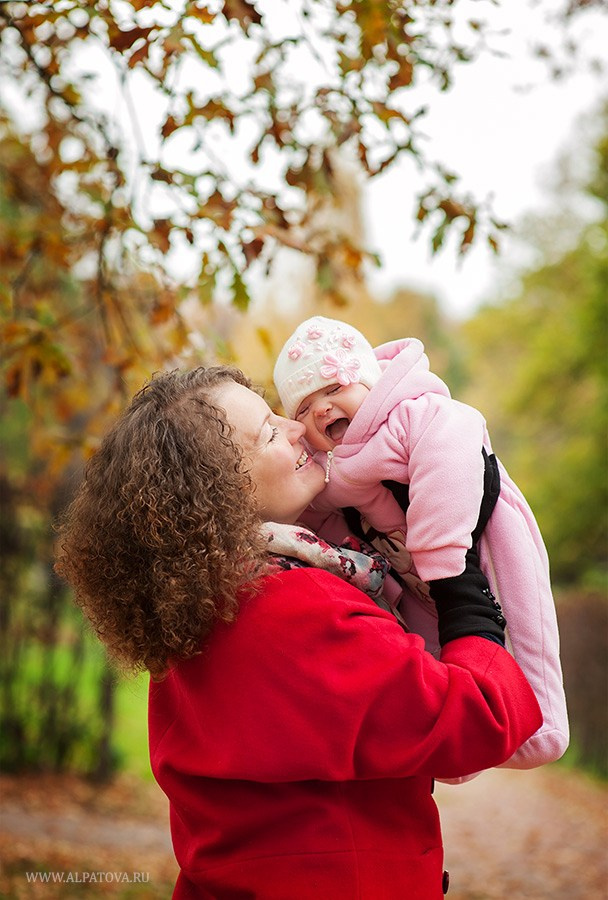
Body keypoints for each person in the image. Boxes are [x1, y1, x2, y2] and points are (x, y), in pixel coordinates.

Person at [56, 365, 542, 899]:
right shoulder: (295, 608)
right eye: (268, 430)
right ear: (220, 491)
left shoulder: (192, 606)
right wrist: (461, 581)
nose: (294, 427)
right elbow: (479, 719)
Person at [273, 316, 569, 769]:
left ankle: (545, 724)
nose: (321, 408)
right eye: (304, 406)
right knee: (429, 650)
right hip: (409, 568)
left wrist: (439, 556)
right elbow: (313, 518)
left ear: (370, 383)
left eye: (334, 389)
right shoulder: (328, 468)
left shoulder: (413, 412)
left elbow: (451, 452)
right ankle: (461, 750)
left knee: (523, 617)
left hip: (476, 539)